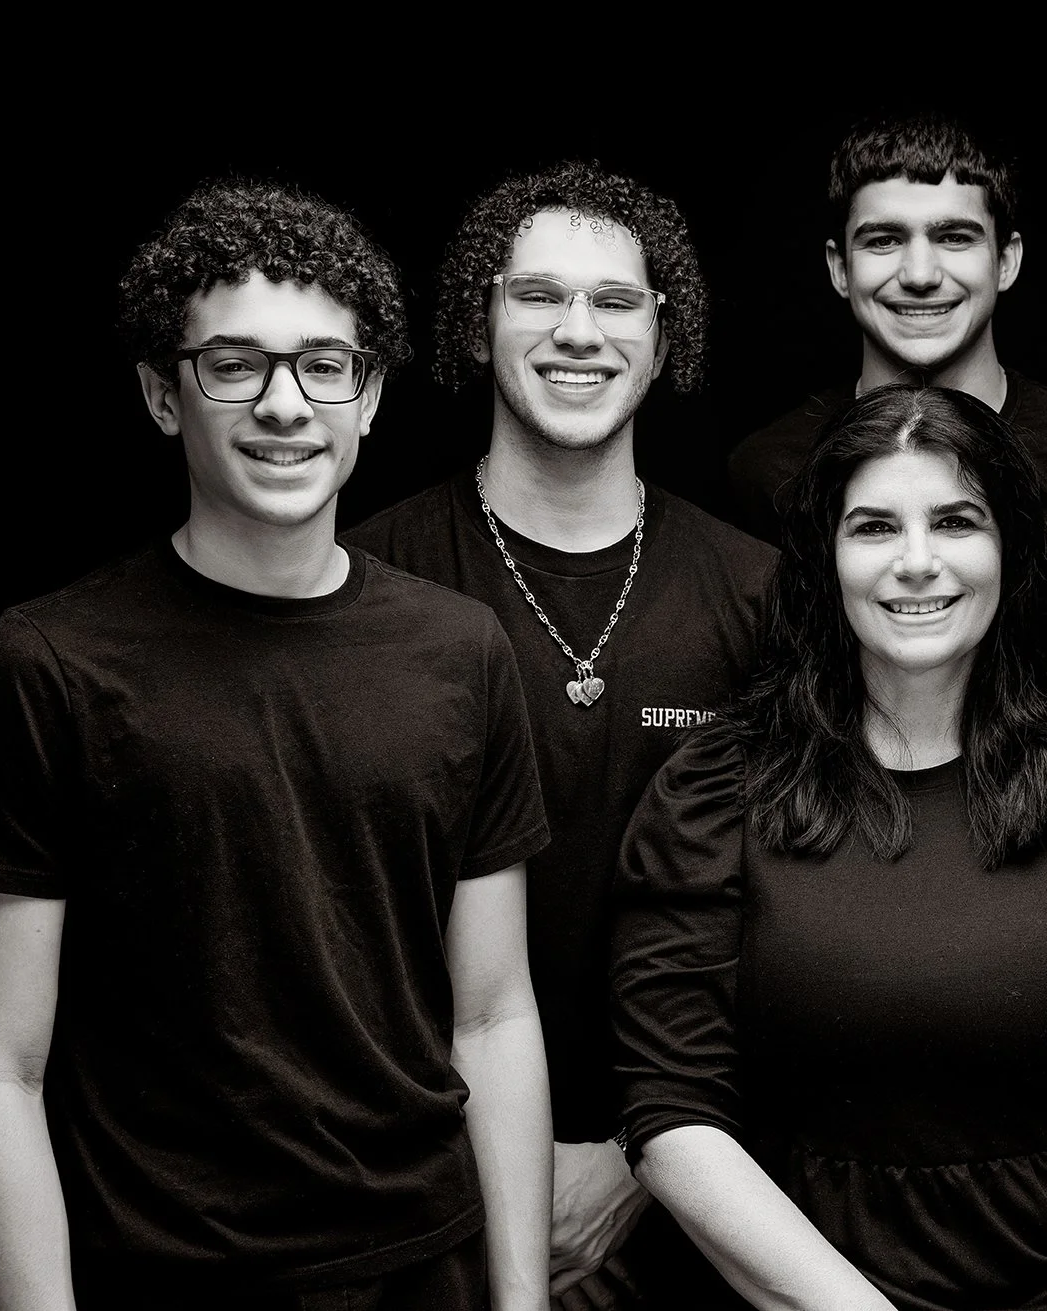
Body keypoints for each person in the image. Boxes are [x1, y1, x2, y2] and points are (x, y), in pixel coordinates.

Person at [0, 180, 552, 1309]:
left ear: (370, 396)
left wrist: (520, 1301)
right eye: (233, 365)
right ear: (160, 394)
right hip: (160, 1271)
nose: (285, 404)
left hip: (419, 1267)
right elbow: (0, 1068)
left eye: (324, 366)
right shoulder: (46, 661)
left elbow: (492, 1014)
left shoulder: (461, 652)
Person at [612, 384, 1047, 1310]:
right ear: (823, 558)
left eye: (956, 521)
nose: (918, 563)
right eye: (874, 528)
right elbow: (671, 1111)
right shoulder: (715, 793)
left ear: (1011, 548)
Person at [344, 160, 775, 1304]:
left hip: (703, 1187)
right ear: (477, 325)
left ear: (662, 333)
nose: (577, 331)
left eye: (616, 301)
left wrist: (646, 1155)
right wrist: (488, 1166)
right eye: (537, 295)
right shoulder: (364, 574)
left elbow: (804, 913)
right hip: (412, 1190)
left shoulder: (760, 595)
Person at [723, 111, 1047, 604]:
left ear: (1006, 261)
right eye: (884, 240)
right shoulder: (766, 475)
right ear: (840, 268)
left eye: (954, 237)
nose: (919, 274)